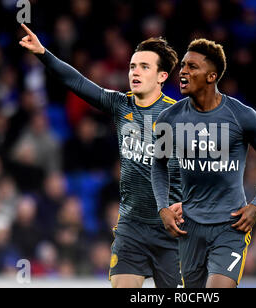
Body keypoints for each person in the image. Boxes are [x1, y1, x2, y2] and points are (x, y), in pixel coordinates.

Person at [19, 24, 183, 288]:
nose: (135, 72)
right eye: (132, 66)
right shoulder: (121, 105)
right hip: (131, 227)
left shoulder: (179, 117)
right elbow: (78, 82)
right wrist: (43, 53)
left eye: (144, 67)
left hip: (170, 231)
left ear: (162, 76)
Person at [151, 39, 256, 288]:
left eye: (192, 66)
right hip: (189, 228)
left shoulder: (241, 115)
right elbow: (158, 166)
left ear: (211, 76)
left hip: (230, 226)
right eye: (182, 65)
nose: (183, 71)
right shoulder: (169, 119)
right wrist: (162, 208)